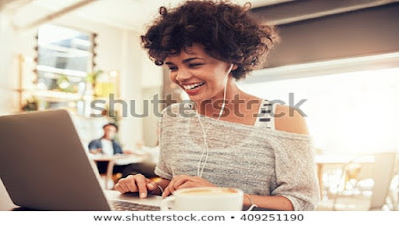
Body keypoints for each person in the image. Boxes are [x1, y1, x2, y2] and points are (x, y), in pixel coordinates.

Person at [115, 0, 319, 211]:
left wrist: (222, 196)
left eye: (194, 64)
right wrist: (148, 187)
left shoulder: (281, 118)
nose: (181, 76)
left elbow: (302, 202)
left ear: (233, 60)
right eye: (173, 67)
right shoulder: (172, 117)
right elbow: (170, 184)